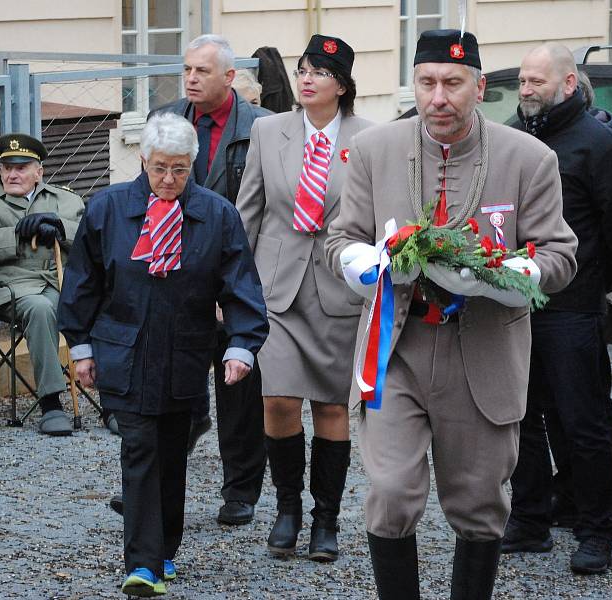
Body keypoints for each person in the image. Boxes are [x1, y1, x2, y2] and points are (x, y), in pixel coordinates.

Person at [325, 30, 577, 599]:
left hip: (483, 352)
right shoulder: (373, 151)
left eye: (453, 84)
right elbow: (338, 238)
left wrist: (515, 276)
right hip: (398, 349)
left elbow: (561, 255)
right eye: (427, 82)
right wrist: (360, 262)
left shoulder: (530, 158)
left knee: (479, 499)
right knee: (389, 492)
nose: (438, 97)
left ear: (481, 87)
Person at [57, 112, 268, 597]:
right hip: (124, 351)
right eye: (159, 168)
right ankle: (144, 564)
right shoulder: (108, 209)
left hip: (187, 354)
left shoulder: (217, 215)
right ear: (142, 160)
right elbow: (83, 283)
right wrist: (82, 346)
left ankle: (166, 549)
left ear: (193, 163)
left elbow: (240, 287)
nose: (169, 180)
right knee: (141, 448)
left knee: (173, 452)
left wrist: (240, 345)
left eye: (179, 169)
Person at [504, 43, 612, 575]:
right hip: (517, 302)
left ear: (567, 84)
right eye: (521, 80)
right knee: (523, 418)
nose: (526, 89)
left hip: (573, 307)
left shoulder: (598, 144)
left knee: (583, 423)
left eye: (537, 81)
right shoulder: (517, 140)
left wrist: (593, 283)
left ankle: (596, 528)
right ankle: (531, 519)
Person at [235, 34, 372, 562]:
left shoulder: (368, 137)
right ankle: (287, 508)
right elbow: (249, 210)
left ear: (342, 84)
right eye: (302, 69)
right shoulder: (270, 130)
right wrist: (236, 285)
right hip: (276, 290)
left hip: (339, 290)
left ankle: (325, 519)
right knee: (278, 400)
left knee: (331, 408)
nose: (307, 78)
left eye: (319, 71)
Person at [149, 33, 272, 527]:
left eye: (202, 71)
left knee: (239, 391)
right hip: (173, 274)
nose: (191, 79)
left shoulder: (262, 128)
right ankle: (150, 488)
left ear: (229, 77)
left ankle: (240, 491)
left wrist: (237, 289)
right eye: (186, 70)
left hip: (235, 275)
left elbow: (269, 213)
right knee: (162, 388)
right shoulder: (167, 122)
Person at [0, 133, 93, 437]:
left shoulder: (65, 200)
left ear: (39, 171)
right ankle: (52, 403)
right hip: (9, 288)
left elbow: (91, 238)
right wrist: (13, 233)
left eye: (22, 167)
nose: (12, 174)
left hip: (59, 281)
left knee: (105, 302)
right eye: (6, 168)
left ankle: (118, 403)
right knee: (43, 309)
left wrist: (59, 226)